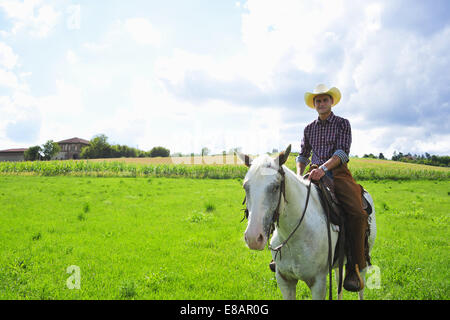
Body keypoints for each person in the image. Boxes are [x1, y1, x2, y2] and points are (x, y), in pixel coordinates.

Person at [296, 83, 368, 292]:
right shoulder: (308, 128)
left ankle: (354, 266)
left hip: (338, 173)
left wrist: (324, 168)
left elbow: (343, 152)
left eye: (324, 100)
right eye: (317, 101)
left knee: (357, 213)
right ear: (314, 104)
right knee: (285, 200)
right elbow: (302, 155)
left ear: (331, 102)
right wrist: (300, 176)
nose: (321, 103)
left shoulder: (343, 123)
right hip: (313, 172)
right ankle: (281, 256)